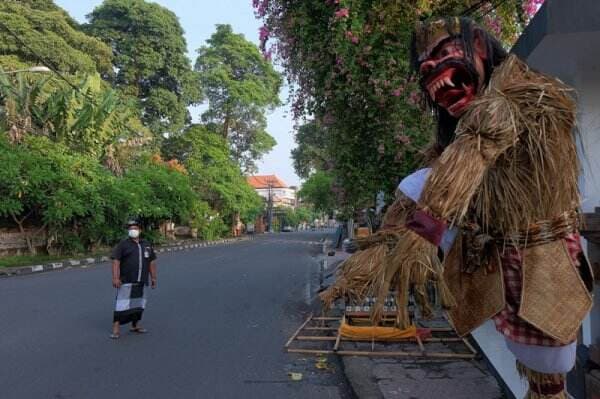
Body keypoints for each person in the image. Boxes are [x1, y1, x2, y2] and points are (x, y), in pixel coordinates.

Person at [323, 17, 593, 399]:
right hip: (503, 261)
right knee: (541, 375)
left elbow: (476, 147)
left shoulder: (524, 93)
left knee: (550, 370)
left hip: (543, 261)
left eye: (441, 56)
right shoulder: (459, 137)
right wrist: (390, 245)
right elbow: (437, 174)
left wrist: (424, 232)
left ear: (479, 48)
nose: (433, 75)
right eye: (425, 70)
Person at [110, 219, 157, 339]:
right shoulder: (123, 244)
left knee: (139, 304)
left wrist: (154, 278)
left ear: (140, 230)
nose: (133, 230)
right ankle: (116, 327)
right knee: (121, 304)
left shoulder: (146, 244)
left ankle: (135, 325)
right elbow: (116, 261)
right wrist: (115, 277)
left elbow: (151, 261)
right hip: (127, 280)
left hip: (142, 280)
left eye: (135, 228)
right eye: (130, 228)